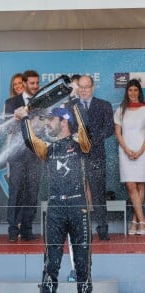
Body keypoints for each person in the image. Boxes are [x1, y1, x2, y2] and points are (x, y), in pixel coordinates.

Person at [14, 106, 93, 293]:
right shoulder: (47, 147)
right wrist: (25, 119)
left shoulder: (80, 143)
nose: (47, 123)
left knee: (83, 261)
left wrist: (74, 99)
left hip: (78, 207)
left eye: (51, 120)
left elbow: (85, 127)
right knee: (51, 262)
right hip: (55, 208)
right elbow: (30, 141)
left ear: (64, 121)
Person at [67, 75, 114, 240]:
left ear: (93, 87)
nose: (84, 90)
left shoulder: (104, 105)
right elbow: (65, 129)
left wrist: (90, 139)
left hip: (96, 156)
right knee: (77, 194)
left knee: (98, 193)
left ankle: (102, 229)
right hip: (75, 157)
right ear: (77, 87)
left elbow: (109, 129)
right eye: (81, 86)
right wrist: (75, 138)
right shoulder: (70, 106)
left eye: (87, 87)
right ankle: (80, 230)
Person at [4, 70, 41, 242]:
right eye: (32, 83)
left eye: (37, 83)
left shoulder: (41, 101)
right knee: (16, 193)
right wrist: (18, 119)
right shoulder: (11, 102)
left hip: (35, 154)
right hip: (17, 155)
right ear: (24, 83)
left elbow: (44, 124)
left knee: (32, 194)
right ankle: (13, 230)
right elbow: (8, 128)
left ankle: (27, 229)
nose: (35, 86)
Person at [114, 79, 145, 235]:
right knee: (130, 186)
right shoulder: (121, 110)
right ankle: (142, 221)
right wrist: (126, 149)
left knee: (140, 185)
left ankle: (135, 222)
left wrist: (140, 151)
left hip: (142, 151)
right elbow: (118, 133)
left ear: (140, 92)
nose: (133, 93)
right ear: (127, 92)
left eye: (136, 90)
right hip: (125, 152)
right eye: (130, 90)